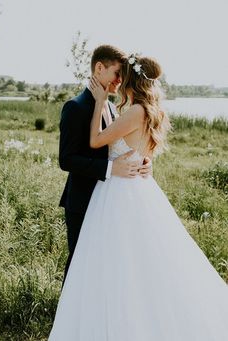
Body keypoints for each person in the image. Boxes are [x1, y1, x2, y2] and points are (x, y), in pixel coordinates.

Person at [49, 54, 228, 340]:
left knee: (122, 263)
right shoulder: (131, 109)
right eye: (115, 74)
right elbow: (72, 157)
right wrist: (139, 160)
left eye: (122, 76)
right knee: (114, 263)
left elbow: (97, 142)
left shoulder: (129, 110)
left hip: (120, 195)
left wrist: (100, 108)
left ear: (131, 79)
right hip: (121, 192)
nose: (118, 81)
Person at [59, 45, 151, 282]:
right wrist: (111, 169)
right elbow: (66, 159)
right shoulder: (75, 107)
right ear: (99, 68)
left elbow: (120, 144)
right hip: (83, 199)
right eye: (117, 73)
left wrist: (142, 161)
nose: (120, 81)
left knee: (104, 262)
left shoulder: (110, 105)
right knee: (79, 261)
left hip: (111, 202)